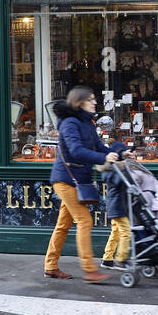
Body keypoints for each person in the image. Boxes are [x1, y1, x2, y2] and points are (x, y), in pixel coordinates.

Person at [45, 86, 126, 283]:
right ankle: (89, 269)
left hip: (77, 179)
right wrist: (103, 157)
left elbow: (98, 147)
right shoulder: (70, 123)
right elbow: (76, 150)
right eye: (91, 99)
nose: (95, 102)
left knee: (63, 225)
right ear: (80, 102)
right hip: (66, 179)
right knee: (85, 221)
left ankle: (50, 265)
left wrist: (120, 153)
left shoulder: (87, 122)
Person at [99, 161, 131, 271]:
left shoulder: (109, 171)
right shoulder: (115, 171)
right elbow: (123, 182)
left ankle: (107, 259)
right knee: (126, 231)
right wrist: (126, 167)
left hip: (114, 205)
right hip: (117, 206)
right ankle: (121, 259)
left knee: (115, 233)